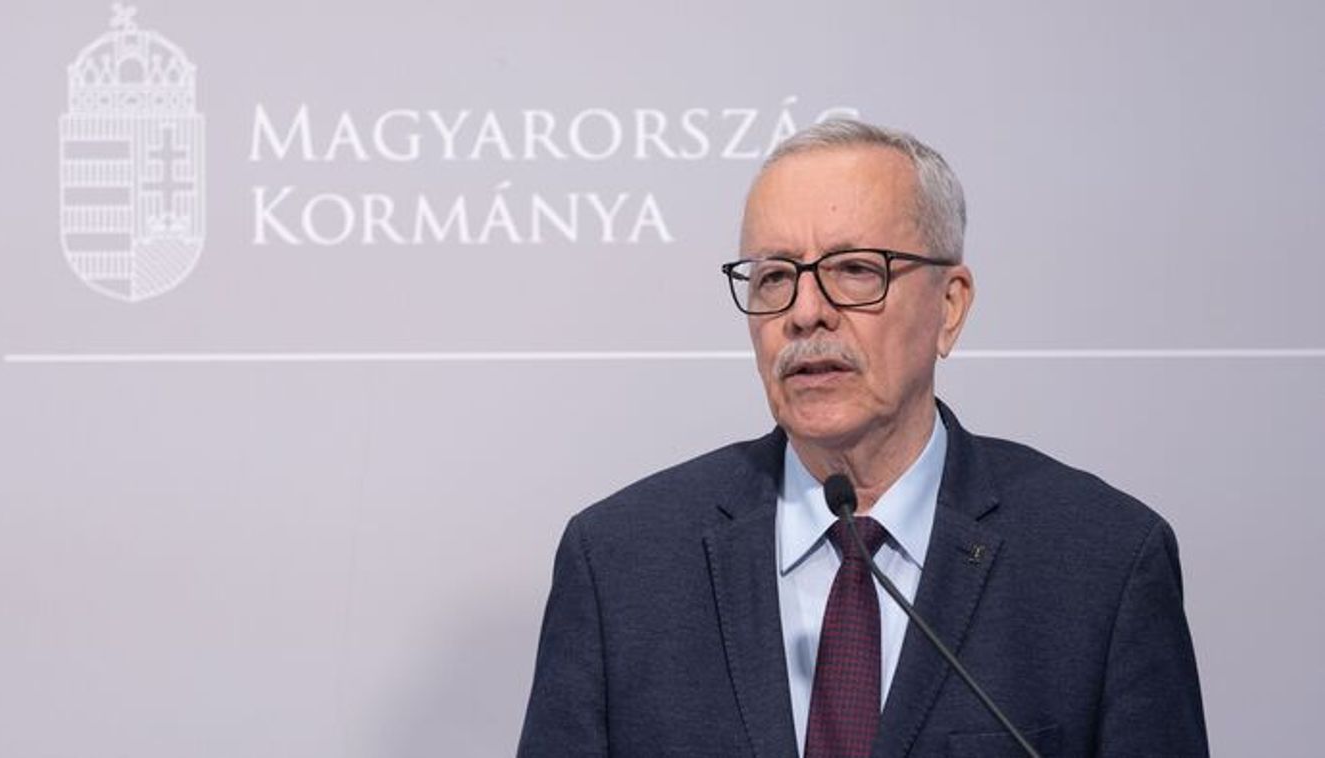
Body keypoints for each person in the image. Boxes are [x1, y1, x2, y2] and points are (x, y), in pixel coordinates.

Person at [517, 119, 1208, 757]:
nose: (805, 312)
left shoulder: (1103, 563)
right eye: (774, 277)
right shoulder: (620, 564)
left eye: (854, 270)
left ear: (949, 306)